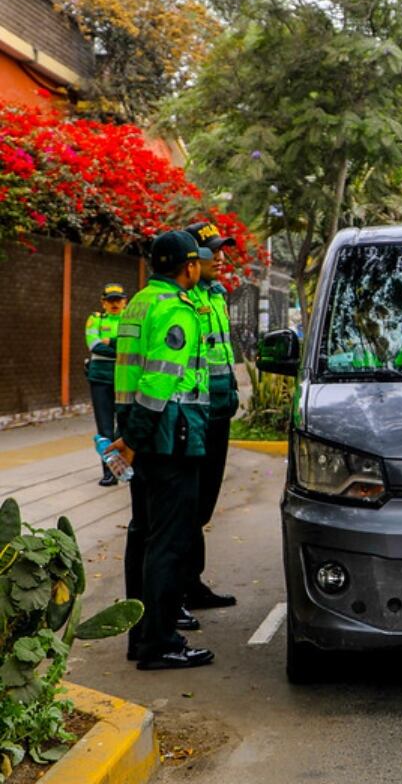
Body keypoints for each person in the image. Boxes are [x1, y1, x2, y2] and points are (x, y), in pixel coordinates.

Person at [110, 230, 216, 671]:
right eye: (197, 263)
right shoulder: (177, 309)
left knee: (144, 534)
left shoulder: (138, 302)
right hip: (170, 435)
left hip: (141, 431)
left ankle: (141, 634)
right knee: (169, 542)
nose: (200, 269)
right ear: (187, 266)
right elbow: (158, 382)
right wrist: (134, 440)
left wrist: (129, 435)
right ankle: (160, 641)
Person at [183, 222, 240, 611]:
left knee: (203, 507)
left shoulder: (217, 296)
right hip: (196, 415)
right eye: (212, 251)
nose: (220, 257)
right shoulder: (186, 300)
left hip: (220, 413)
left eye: (222, 250)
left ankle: (193, 583)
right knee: (187, 507)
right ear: (192, 258)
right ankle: (178, 593)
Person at [85, 283, 127, 486]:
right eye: (110, 300)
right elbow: (94, 345)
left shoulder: (131, 320)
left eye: (118, 300)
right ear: (103, 302)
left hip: (124, 378)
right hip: (100, 379)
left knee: (125, 425)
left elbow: (136, 346)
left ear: (125, 301)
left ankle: (123, 467)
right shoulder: (95, 319)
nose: (115, 304)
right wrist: (121, 348)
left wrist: (112, 342)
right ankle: (109, 472)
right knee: (105, 428)